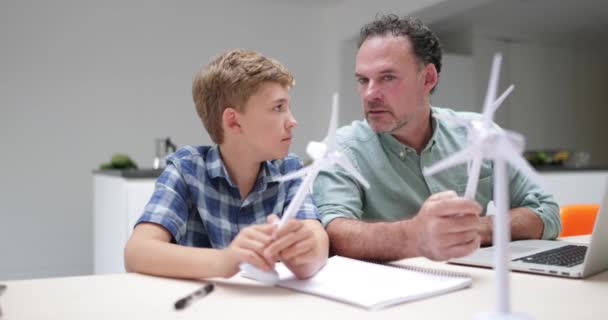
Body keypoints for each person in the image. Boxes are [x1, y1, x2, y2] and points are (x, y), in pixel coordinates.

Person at [313, 14, 561, 262]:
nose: (369, 94)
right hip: (392, 293)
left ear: (428, 78)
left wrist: (476, 228)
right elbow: (334, 232)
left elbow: (546, 212)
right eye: (363, 80)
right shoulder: (341, 149)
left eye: (387, 77)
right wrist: (415, 236)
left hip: (475, 283)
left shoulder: (479, 134)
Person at [125, 49, 329, 279]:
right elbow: (137, 252)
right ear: (233, 121)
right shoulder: (186, 169)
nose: (293, 121)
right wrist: (224, 260)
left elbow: (318, 240)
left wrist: (307, 254)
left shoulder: (290, 169)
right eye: (278, 108)